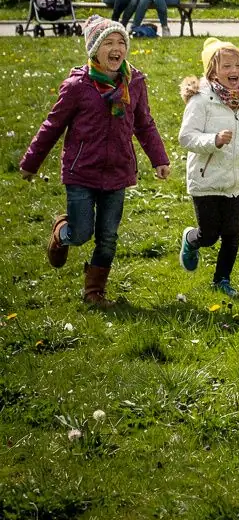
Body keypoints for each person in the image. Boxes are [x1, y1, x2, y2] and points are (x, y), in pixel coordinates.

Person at [18, 16, 170, 307]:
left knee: (108, 237)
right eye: (108, 43)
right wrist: (30, 163)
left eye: (121, 42)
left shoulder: (134, 82)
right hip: (81, 172)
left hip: (118, 171)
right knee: (82, 232)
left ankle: (94, 293)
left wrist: (159, 159)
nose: (117, 48)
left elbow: (145, 124)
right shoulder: (78, 85)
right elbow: (53, 125)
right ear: (94, 50)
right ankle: (63, 232)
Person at [178, 38, 239, 297]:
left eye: (238, 65)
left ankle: (222, 280)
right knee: (209, 235)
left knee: (231, 233)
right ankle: (191, 239)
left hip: (235, 178)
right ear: (212, 71)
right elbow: (186, 137)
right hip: (206, 178)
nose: (235, 71)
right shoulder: (201, 99)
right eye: (227, 66)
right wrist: (214, 140)